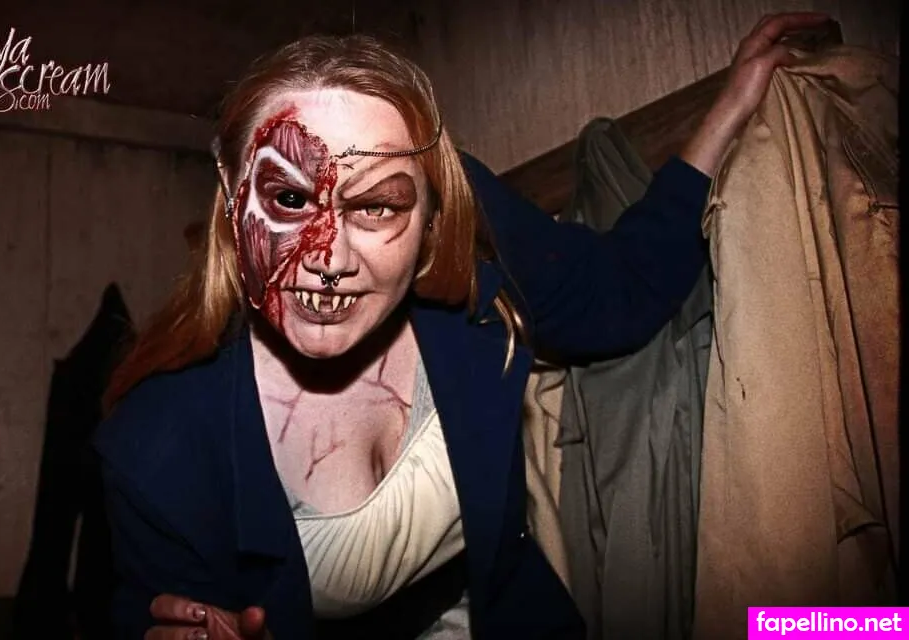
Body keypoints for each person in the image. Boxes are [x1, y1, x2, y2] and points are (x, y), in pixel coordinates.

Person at [93, 12, 831, 640]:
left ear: (432, 211)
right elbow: (146, 610)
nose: (328, 259)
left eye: (376, 205)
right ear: (231, 196)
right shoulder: (155, 446)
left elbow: (618, 292)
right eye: (287, 199)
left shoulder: (475, 268)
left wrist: (730, 107)